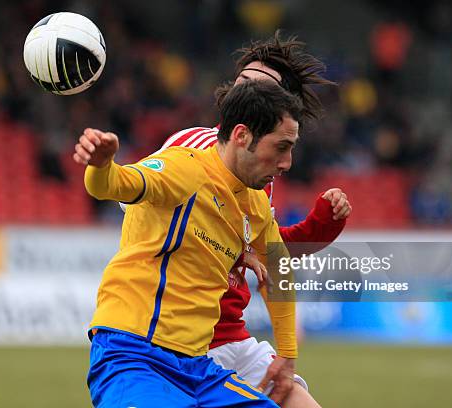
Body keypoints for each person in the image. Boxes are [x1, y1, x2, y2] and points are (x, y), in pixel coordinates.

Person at [143, 32, 352, 407]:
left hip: (234, 338)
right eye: (240, 82)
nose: (242, 91)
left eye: (256, 87)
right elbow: (139, 210)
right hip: (180, 343)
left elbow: (271, 255)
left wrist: (319, 227)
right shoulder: (192, 146)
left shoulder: (258, 174)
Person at [74, 80, 303, 407]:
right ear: (241, 136)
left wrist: (287, 354)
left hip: (197, 368)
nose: (287, 162)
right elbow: (114, 185)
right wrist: (101, 165)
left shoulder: (255, 204)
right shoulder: (185, 167)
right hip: (134, 357)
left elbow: (278, 266)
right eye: (281, 147)